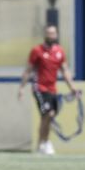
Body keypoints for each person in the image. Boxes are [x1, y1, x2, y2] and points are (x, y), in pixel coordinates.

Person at [18, 24, 78, 155]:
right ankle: (43, 143)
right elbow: (28, 70)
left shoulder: (60, 52)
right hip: (39, 87)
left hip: (52, 89)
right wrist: (21, 87)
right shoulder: (37, 51)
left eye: (53, 33)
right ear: (45, 35)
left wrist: (73, 88)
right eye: (48, 33)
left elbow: (65, 71)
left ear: (56, 35)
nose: (51, 36)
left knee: (48, 117)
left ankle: (43, 143)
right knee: (48, 114)